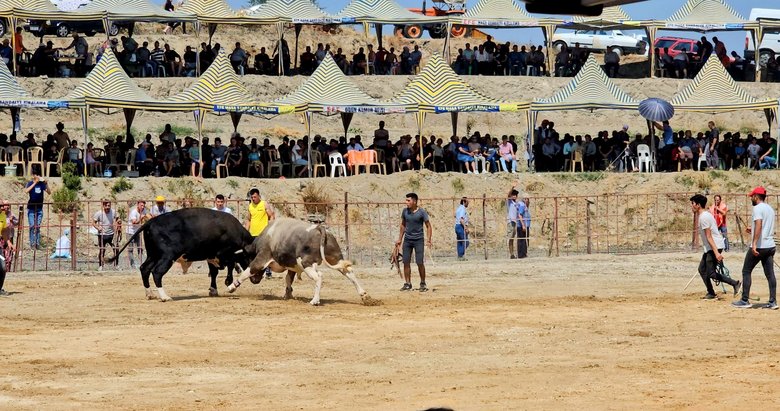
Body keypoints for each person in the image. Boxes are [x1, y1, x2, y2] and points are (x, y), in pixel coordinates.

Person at [733, 187, 778, 309]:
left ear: (756, 197)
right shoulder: (770, 208)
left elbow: (759, 224)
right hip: (770, 245)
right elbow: (764, 227)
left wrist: (754, 243)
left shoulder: (757, 208)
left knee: (746, 271)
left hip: (760, 246)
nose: (751, 198)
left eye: (752, 196)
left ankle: (744, 300)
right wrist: (752, 231)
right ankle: (773, 302)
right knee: (770, 275)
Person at [690, 194, 739, 300]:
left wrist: (716, 253)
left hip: (714, 246)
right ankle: (711, 292)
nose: (692, 206)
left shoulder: (704, 217)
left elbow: (709, 236)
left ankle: (735, 283)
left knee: (711, 273)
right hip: (710, 247)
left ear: (698, 205)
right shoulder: (704, 216)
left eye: (693, 203)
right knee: (702, 269)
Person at [395, 193, 432, 292]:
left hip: (419, 240)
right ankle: (407, 283)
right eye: (406, 200)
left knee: (419, 262)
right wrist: (400, 239)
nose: (406, 202)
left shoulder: (422, 212)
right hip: (407, 240)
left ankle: (423, 283)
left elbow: (428, 226)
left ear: (414, 201)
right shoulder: (405, 211)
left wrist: (428, 240)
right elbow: (403, 225)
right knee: (406, 262)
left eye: (408, 200)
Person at [245, 188, 275, 277]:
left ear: (258, 196)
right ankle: (255, 271)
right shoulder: (250, 206)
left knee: (266, 253)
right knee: (254, 253)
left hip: (263, 234)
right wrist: (246, 231)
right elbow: (248, 219)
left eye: (254, 197)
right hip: (253, 234)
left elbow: (272, 216)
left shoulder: (264, 204)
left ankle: (268, 271)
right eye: (252, 197)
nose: (253, 199)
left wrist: (270, 228)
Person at [24, 171, 50, 250]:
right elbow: (26, 191)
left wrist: (46, 184)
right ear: (33, 176)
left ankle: (37, 243)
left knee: (37, 226)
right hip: (31, 208)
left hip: (39, 208)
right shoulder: (30, 183)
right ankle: (32, 243)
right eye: (37, 175)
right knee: (32, 226)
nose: (38, 176)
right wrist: (35, 183)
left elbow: (49, 192)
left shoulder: (41, 184)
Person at [93, 200, 120, 271]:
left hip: (111, 234)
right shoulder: (99, 213)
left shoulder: (113, 212)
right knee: (102, 250)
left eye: (109, 205)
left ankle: (116, 265)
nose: (108, 207)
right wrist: (98, 228)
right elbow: (93, 222)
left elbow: (118, 218)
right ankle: (101, 266)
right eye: (106, 205)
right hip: (102, 234)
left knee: (116, 249)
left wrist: (118, 224)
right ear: (103, 206)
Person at [127, 200, 150, 268]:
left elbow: (148, 216)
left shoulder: (144, 210)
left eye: (143, 206)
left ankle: (141, 263)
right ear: (138, 205)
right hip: (130, 232)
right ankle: (132, 264)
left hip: (138, 231)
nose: (142, 207)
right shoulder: (133, 212)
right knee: (130, 249)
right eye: (141, 205)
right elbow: (134, 222)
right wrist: (141, 218)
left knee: (140, 248)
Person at [506, 183, 524, 259]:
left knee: (512, 238)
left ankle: (512, 254)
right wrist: (512, 187)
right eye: (513, 195)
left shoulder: (516, 203)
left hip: (514, 222)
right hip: (510, 221)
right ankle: (510, 254)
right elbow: (508, 195)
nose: (514, 196)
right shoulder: (509, 202)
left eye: (515, 195)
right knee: (510, 238)